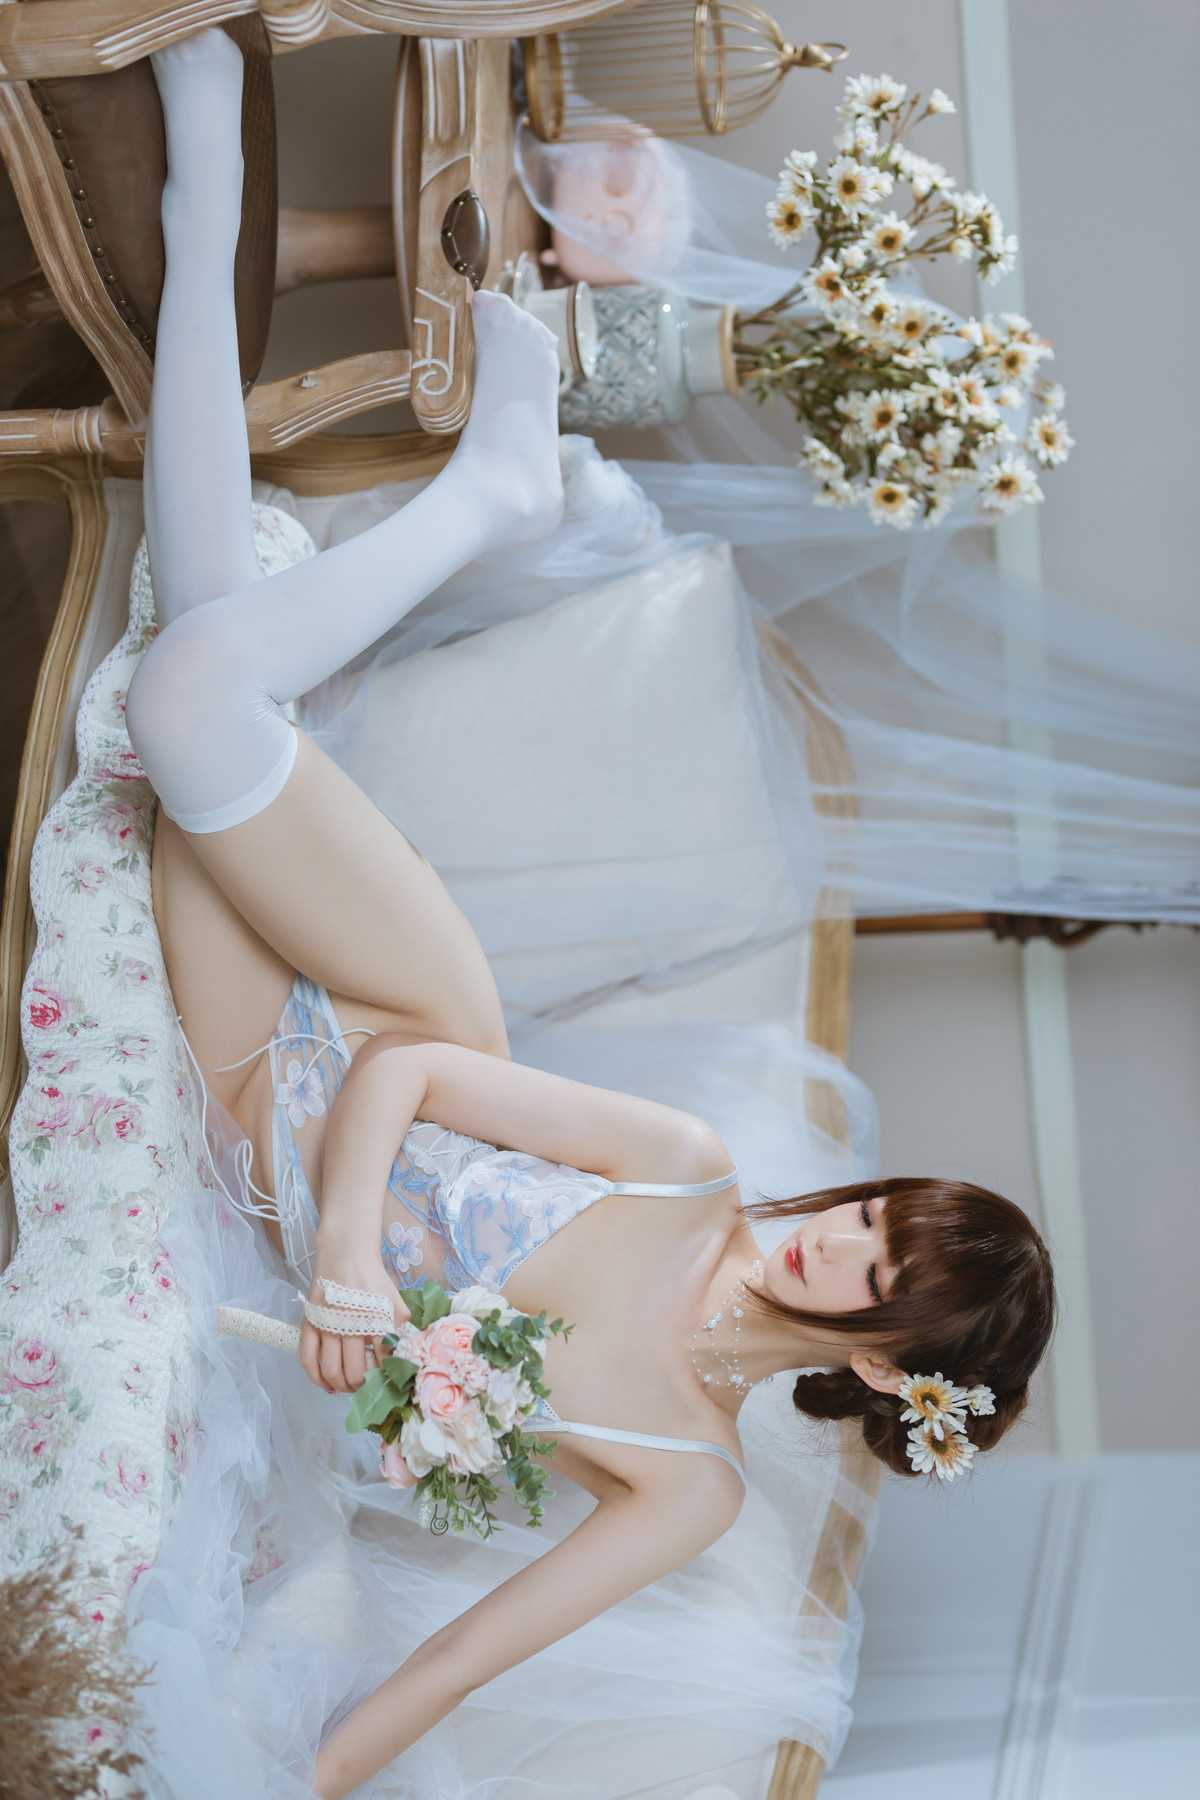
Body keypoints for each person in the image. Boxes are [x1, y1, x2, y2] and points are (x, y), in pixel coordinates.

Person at [119, 29, 1057, 1800]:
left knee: (201, 631)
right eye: (870, 1217)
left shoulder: (687, 1483)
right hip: (396, 1004)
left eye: (872, 1275)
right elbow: (408, 1077)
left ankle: (207, 179)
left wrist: (302, 1787)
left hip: (245, 1134)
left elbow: (467, 1651)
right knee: (190, 701)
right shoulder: (687, 1168)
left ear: (891, 1367)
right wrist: (347, 1261)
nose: (833, 1243)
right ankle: (492, 492)